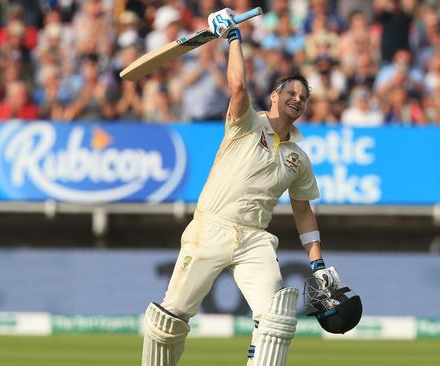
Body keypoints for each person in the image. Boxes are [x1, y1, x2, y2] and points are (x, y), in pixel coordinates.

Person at [141, 8, 342, 366]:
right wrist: (233, 38)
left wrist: (319, 264)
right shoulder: (247, 123)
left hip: (254, 239)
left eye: (304, 96)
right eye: (291, 91)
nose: (298, 98)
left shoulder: (298, 158)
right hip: (211, 228)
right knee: (169, 322)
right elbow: (238, 86)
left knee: (276, 318)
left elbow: (302, 211)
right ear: (275, 96)